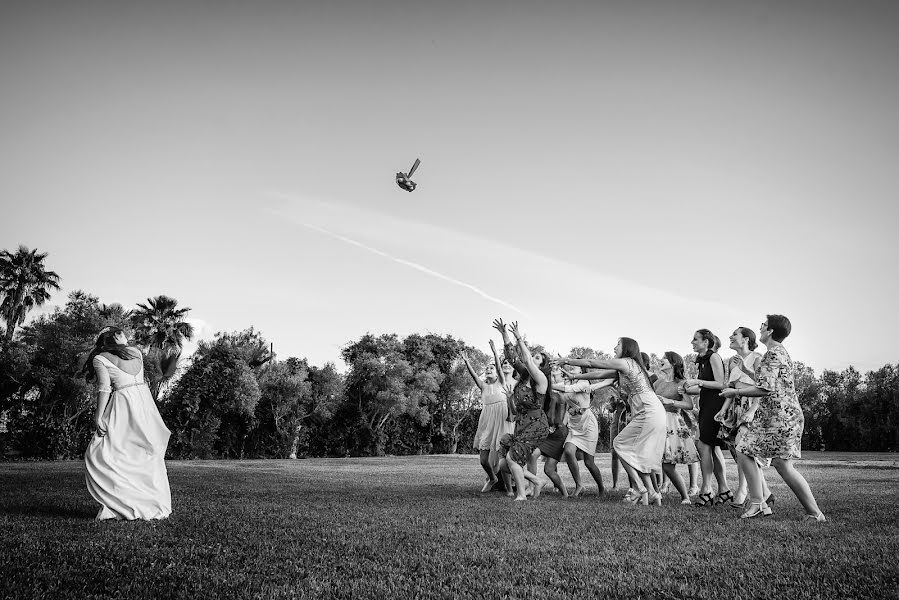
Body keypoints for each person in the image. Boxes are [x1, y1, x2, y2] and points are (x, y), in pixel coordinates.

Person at [721, 315, 825, 521]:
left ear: (770, 331)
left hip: (783, 418)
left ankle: (814, 513)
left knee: (780, 463)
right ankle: (759, 503)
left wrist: (735, 393)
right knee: (745, 450)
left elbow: (764, 388)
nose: (760, 328)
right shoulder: (774, 353)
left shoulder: (774, 354)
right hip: (771, 418)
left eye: (763, 326)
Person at [557, 338, 666, 506]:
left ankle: (639, 488)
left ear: (627, 348)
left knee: (619, 444)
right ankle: (652, 492)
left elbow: (593, 363)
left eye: (618, 344)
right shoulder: (627, 367)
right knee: (637, 452)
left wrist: (567, 360)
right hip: (648, 410)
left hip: (648, 410)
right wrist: (574, 375)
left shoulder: (626, 362)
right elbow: (599, 374)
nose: (614, 347)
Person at [79, 326, 171, 520]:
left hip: (124, 404)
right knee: (143, 454)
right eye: (122, 333)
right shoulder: (135, 352)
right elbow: (105, 388)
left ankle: (120, 504)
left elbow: (104, 389)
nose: (126, 335)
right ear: (117, 336)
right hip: (144, 403)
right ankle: (144, 503)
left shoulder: (101, 358)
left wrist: (99, 416)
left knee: (109, 453)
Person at [492, 319, 551, 501]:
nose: (533, 358)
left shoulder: (540, 379)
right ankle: (536, 481)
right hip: (522, 424)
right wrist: (504, 335)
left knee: (512, 458)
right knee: (503, 463)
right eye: (533, 356)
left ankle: (521, 495)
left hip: (536, 426)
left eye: (537, 358)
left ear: (541, 366)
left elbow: (524, 358)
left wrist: (519, 337)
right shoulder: (523, 377)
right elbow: (512, 358)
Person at [716, 327, 773, 509]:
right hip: (736, 406)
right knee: (739, 451)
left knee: (745, 448)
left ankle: (742, 491)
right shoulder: (731, 362)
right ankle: (765, 493)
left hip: (753, 405)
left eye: (735, 334)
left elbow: (761, 386)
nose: (730, 337)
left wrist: (753, 409)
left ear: (746, 339)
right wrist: (723, 410)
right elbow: (730, 389)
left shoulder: (757, 358)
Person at [684, 329, 732, 506]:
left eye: (695, 339)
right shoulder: (702, 360)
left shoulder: (714, 357)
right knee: (713, 449)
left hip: (715, 406)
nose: (692, 342)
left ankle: (706, 489)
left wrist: (698, 382)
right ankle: (724, 490)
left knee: (704, 446)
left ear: (706, 342)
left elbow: (721, 384)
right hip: (705, 405)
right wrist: (688, 389)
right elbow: (705, 387)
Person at [551, 366, 613, 497]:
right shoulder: (568, 382)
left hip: (588, 424)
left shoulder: (583, 383)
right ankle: (579, 485)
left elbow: (568, 390)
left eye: (575, 367)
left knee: (589, 462)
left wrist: (552, 385)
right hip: (574, 424)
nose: (571, 369)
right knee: (568, 451)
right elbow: (556, 388)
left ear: (581, 371)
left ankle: (601, 488)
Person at [461, 342, 513, 493]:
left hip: (502, 422)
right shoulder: (483, 386)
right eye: (486, 368)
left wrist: (495, 353)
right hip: (487, 422)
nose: (488, 369)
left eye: (492, 368)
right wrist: (467, 362)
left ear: (498, 373)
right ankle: (492, 478)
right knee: (483, 459)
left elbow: (497, 364)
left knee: (503, 456)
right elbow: (473, 375)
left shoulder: (501, 383)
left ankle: (510, 487)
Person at [654, 352, 700, 504]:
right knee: (652, 461)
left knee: (667, 465)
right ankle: (653, 493)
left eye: (664, 358)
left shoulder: (682, 383)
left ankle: (685, 497)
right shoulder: (658, 383)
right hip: (655, 423)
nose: (661, 360)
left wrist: (670, 401)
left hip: (671, 423)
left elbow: (689, 405)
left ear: (673, 363)